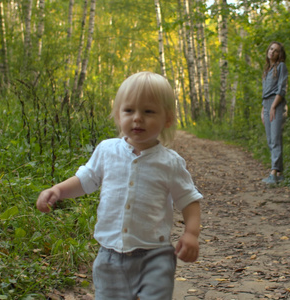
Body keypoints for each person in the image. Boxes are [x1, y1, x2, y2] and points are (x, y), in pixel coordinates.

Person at [36, 71, 202, 299]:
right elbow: (85, 180)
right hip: (110, 255)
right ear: (117, 115)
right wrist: (58, 190)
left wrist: (191, 233)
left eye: (148, 111)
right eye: (129, 110)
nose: (137, 118)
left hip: (155, 255)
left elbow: (189, 200)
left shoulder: (170, 162)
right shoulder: (106, 150)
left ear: (168, 119)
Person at [261, 41, 288, 185]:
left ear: (280, 54)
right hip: (266, 104)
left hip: (276, 103)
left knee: (276, 138)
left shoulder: (281, 67)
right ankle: (279, 172)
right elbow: (265, 92)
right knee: (270, 139)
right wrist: (263, 108)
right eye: (271, 49)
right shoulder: (267, 70)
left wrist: (273, 106)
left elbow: (281, 89)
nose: (272, 52)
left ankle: (273, 173)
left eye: (276, 50)